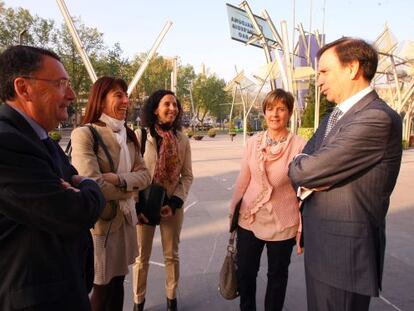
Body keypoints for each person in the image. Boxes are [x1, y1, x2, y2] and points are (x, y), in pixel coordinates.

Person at [288, 37, 403, 311]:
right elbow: (304, 164)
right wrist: (307, 172)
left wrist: (306, 170)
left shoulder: (376, 118)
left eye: (324, 71)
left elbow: (305, 169)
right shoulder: (333, 116)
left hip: (344, 258)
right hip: (320, 246)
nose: (319, 80)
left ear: (352, 68)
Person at [0, 45, 105, 310]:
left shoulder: (39, 137)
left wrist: (77, 186)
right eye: (61, 84)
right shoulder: (7, 143)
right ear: (24, 88)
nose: (71, 95)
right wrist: (92, 186)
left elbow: (72, 182)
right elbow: (73, 212)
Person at [70, 77, 151, 311]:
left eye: (126, 95)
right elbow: (93, 185)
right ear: (101, 100)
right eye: (118, 95)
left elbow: (146, 176)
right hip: (102, 225)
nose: (126, 100)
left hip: (126, 220)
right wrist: (130, 185)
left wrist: (118, 179)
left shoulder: (130, 135)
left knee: (118, 283)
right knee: (102, 288)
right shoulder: (85, 134)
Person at [229, 89, 305, 311]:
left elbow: (304, 189)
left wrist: (302, 226)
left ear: (289, 113)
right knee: (245, 272)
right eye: (270, 109)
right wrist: (233, 211)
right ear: (264, 112)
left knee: (277, 277)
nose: (275, 114)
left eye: (281, 109)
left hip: (283, 222)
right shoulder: (253, 143)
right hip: (250, 218)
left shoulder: (300, 145)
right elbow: (243, 179)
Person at [132, 90, 193, 311]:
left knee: (171, 255)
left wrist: (175, 202)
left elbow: (187, 175)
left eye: (175, 105)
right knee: (141, 257)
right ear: (155, 109)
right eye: (167, 104)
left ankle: (171, 299)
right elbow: (133, 172)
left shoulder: (182, 139)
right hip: (144, 205)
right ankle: (138, 302)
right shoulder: (139, 136)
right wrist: (137, 204)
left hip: (171, 205)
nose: (172, 108)